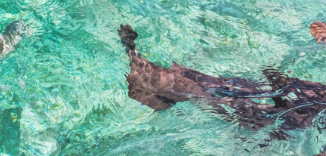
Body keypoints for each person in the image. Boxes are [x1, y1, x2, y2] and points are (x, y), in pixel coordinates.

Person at [119, 23, 326, 152]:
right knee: (220, 90)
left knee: (222, 96)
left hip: (294, 115)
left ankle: (147, 77)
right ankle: (155, 84)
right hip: (301, 98)